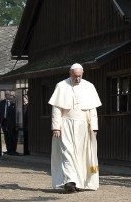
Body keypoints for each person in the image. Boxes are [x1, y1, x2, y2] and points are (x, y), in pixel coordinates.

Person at [49, 63, 101, 193]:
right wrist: (56, 127)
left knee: (82, 155)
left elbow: (92, 110)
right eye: (75, 76)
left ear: (82, 73)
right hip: (66, 124)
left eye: (79, 76)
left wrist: (94, 127)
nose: (77, 79)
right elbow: (56, 109)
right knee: (68, 152)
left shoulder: (89, 86)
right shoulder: (61, 86)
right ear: (70, 73)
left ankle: (80, 182)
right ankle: (69, 182)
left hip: (83, 125)